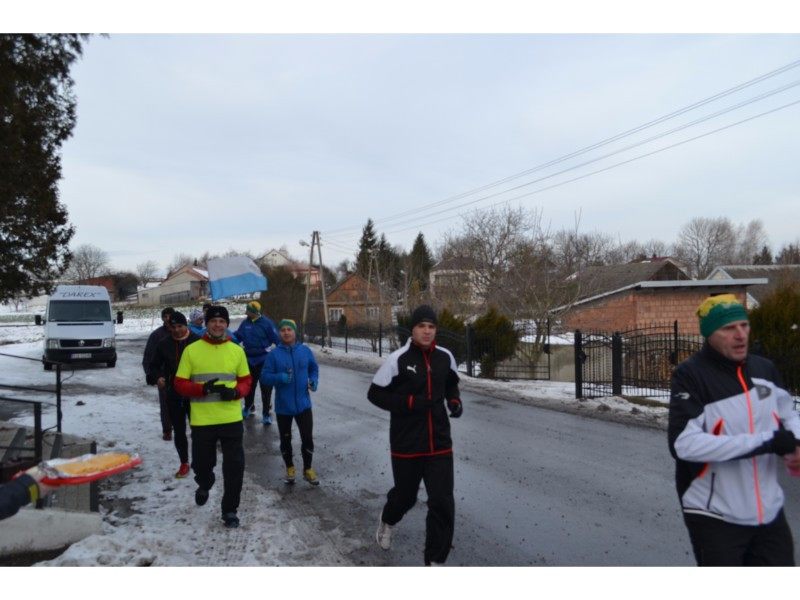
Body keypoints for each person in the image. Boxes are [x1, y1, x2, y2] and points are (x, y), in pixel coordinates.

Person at [668, 294, 800, 566]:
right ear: (709, 335)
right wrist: (767, 441)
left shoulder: (765, 369)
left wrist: (795, 443)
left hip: (769, 512)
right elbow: (683, 444)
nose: (740, 335)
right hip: (715, 514)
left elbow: (788, 414)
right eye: (729, 328)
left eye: (744, 325)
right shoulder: (690, 375)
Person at [367, 305, 463, 566]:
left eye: (431, 327)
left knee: (442, 502)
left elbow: (451, 383)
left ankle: (435, 561)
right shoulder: (397, 359)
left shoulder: (445, 357)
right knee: (406, 497)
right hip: (406, 442)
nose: (427, 331)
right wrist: (409, 402)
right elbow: (375, 394)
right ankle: (388, 519)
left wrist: (454, 401)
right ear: (413, 329)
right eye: (422, 326)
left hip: (439, 443)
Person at [174, 305, 252, 528]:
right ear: (206, 324)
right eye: (213, 321)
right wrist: (201, 389)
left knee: (234, 467)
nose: (218, 325)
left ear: (227, 324)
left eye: (222, 321)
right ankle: (205, 482)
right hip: (203, 421)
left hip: (231, 419)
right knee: (201, 464)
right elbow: (179, 383)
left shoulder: (236, 351)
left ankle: (230, 510)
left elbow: (246, 381)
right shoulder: (192, 350)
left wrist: (236, 392)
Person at [260, 319, 320, 485]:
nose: (286, 332)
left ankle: (308, 469)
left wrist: (314, 380)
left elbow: (313, 368)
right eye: (283, 330)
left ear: (295, 332)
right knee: (285, 439)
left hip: (303, 405)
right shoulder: (274, 355)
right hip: (284, 406)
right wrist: (279, 377)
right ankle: (290, 468)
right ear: (279, 333)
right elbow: (264, 377)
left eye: (289, 329)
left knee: (307, 438)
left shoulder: (305, 351)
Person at [146, 311, 201, 478]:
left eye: (180, 326)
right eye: (173, 327)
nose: (177, 330)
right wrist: (158, 377)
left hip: (195, 392)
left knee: (198, 429)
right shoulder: (164, 343)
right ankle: (184, 462)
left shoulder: (197, 341)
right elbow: (153, 366)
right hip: (174, 392)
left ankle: (199, 460)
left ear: (186, 325)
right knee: (179, 429)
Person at [235, 300, 280, 424]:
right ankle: (248, 407)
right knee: (249, 385)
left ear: (254, 312)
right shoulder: (245, 323)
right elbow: (237, 336)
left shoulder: (267, 323)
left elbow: (277, 340)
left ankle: (266, 414)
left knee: (266, 387)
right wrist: (226, 337)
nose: (246, 312)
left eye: (248, 310)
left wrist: (282, 355)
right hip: (249, 360)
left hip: (264, 359)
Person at [142, 306, 175, 441]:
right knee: (166, 405)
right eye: (165, 316)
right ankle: (167, 430)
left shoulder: (182, 332)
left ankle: (183, 427)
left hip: (181, 376)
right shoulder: (156, 335)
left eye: (170, 316)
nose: (167, 319)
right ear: (162, 318)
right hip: (163, 376)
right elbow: (148, 357)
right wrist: (153, 376)